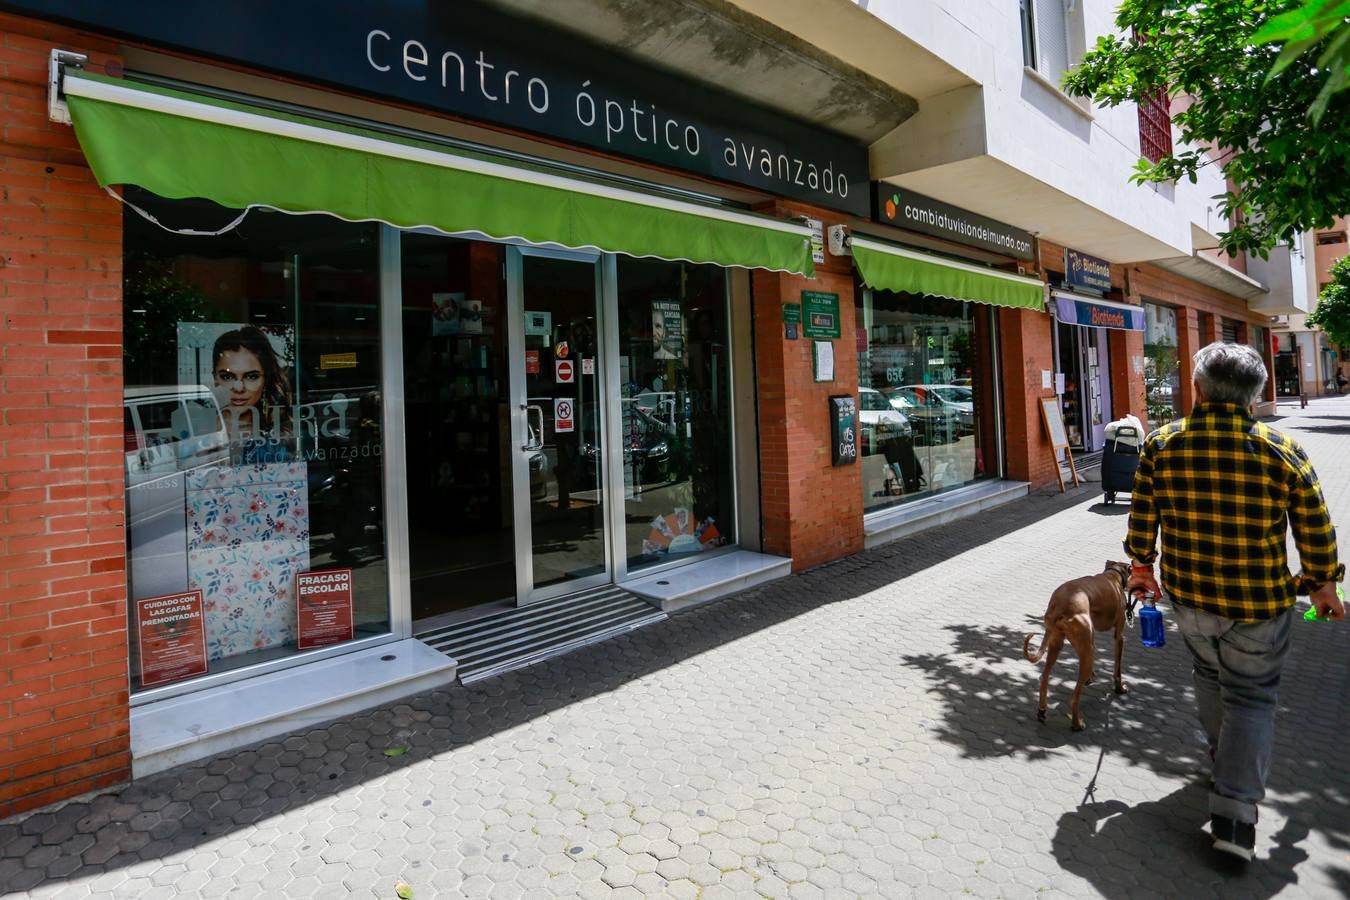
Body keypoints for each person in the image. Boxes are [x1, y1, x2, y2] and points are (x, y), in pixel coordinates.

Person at [1125, 342, 1344, 861]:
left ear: (1197, 390)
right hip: (1259, 604)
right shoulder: (1280, 449)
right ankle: (1235, 817)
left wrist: (1140, 569)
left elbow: (1142, 517)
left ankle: (1226, 757)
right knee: (1251, 698)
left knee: (1207, 676)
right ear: (1256, 395)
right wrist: (1323, 584)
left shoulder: (1162, 444)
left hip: (1189, 597)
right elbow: (1315, 524)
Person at [212, 325, 293, 463]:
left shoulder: (279, 428)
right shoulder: (202, 429)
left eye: (251, 376)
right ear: (215, 378)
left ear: (265, 379)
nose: (239, 388)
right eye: (227, 377)